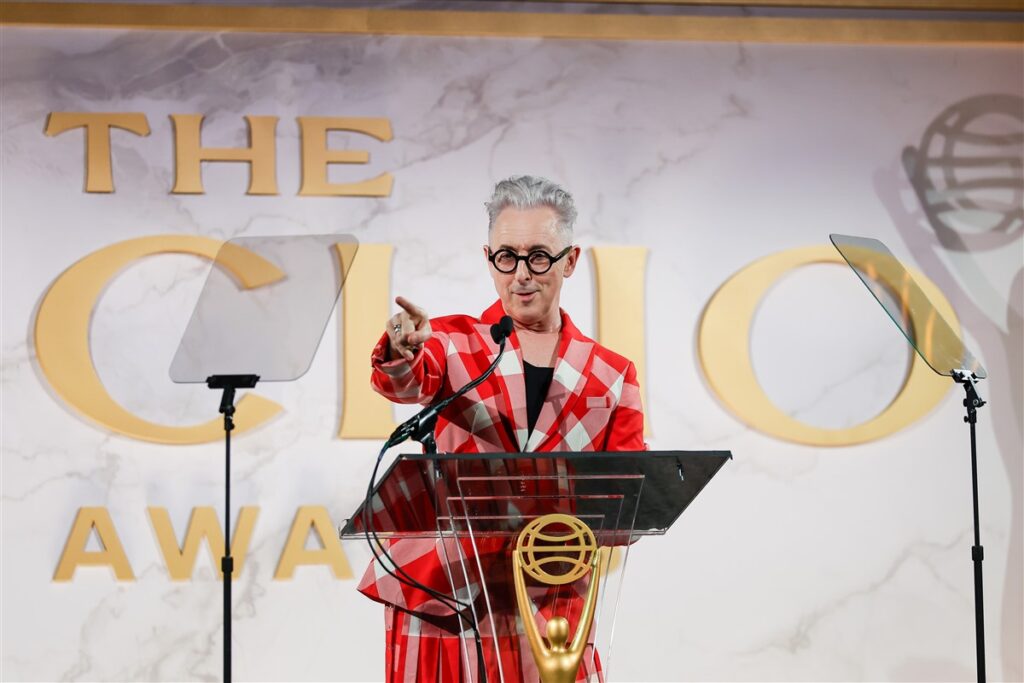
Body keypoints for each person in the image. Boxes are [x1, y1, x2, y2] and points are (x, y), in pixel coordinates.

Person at [358, 175, 645, 682]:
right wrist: (402, 352)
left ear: (570, 261)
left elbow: (630, 505)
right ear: (489, 258)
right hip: (446, 602)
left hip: (551, 608)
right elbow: (406, 380)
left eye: (539, 257)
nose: (521, 275)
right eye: (507, 257)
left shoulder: (611, 375)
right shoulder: (452, 342)